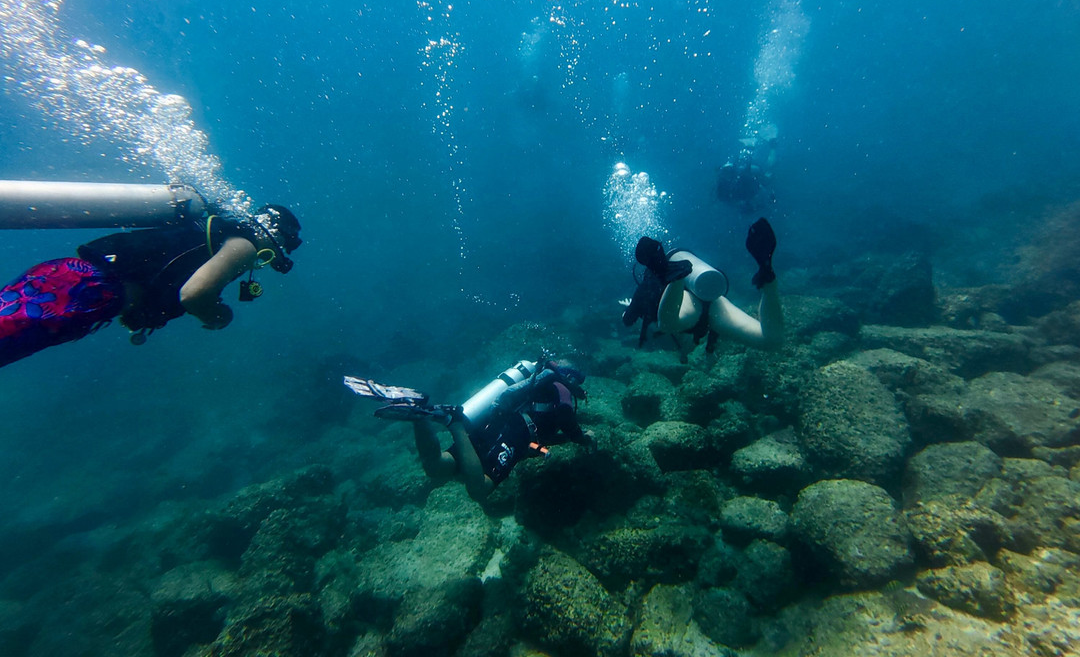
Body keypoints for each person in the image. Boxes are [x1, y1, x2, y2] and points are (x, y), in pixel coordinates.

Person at [0, 204, 301, 368]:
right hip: (87, 291)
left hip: (66, 275)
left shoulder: (213, 229)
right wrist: (217, 315)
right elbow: (194, 294)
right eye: (281, 250)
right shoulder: (245, 246)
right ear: (275, 236)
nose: (274, 259)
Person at [345, 359, 595, 501]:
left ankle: (418, 416)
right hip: (517, 431)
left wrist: (560, 441)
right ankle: (454, 424)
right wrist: (581, 437)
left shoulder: (535, 381)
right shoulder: (560, 386)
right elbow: (563, 415)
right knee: (480, 488)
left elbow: (550, 434)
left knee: (437, 466)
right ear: (570, 378)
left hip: (493, 420)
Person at [622, 218, 784, 355]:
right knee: (771, 342)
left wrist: (630, 309)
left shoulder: (647, 286)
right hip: (713, 301)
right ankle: (768, 279)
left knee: (667, 325)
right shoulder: (651, 284)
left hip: (694, 304)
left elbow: (628, 320)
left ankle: (677, 279)